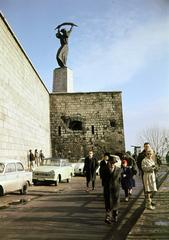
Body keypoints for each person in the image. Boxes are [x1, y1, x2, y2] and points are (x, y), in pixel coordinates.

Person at [101, 155, 121, 224]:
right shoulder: (104, 169)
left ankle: (115, 216)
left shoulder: (119, 169)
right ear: (108, 162)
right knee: (108, 203)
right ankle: (108, 217)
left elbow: (120, 179)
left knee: (115, 203)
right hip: (107, 189)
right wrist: (105, 186)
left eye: (113, 163)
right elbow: (102, 178)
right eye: (111, 163)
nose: (112, 164)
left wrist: (118, 186)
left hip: (116, 189)